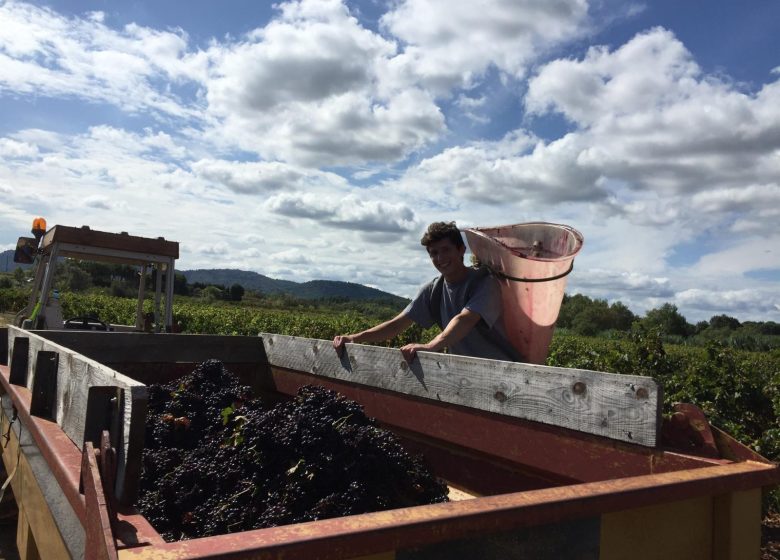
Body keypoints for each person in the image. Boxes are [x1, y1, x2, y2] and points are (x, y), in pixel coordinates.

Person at [332, 222, 522, 363]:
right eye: (433, 253)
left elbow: (465, 319)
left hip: (504, 373)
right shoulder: (433, 290)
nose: (440, 258)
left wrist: (430, 346)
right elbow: (397, 325)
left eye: (446, 250)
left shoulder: (485, 283)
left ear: (461, 250)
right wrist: (354, 338)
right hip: (467, 374)